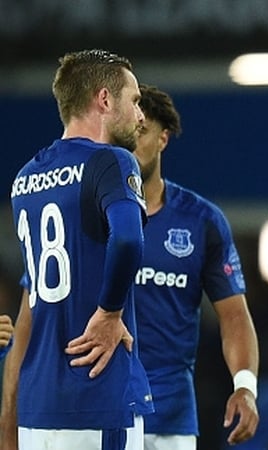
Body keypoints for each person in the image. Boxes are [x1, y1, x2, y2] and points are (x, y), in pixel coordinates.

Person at [1, 49, 152, 450]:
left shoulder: (25, 178)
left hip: (38, 406)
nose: (141, 116)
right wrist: (110, 312)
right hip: (95, 392)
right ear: (104, 99)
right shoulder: (111, 161)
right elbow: (128, 238)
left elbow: (31, 298)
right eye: (135, 101)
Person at [132, 84, 260, 449]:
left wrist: (245, 387)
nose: (130, 142)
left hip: (170, 418)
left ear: (163, 139)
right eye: (126, 132)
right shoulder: (88, 217)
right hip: (98, 412)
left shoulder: (201, 221)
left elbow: (234, 315)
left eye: (142, 131)